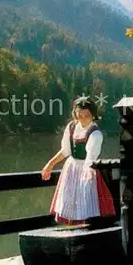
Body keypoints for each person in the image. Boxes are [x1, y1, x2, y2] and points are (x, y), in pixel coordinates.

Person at [41, 96, 116, 225]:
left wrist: (86, 173)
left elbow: (91, 156)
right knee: (70, 205)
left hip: (87, 170)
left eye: (86, 115)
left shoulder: (95, 133)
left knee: (86, 205)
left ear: (93, 115)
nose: (82, 118)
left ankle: (89, 235)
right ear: (75, 114)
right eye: (79, 115)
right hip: (71, 169)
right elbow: (65, 151)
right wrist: (50, 164)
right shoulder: (71, 127)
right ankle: (73, 236)